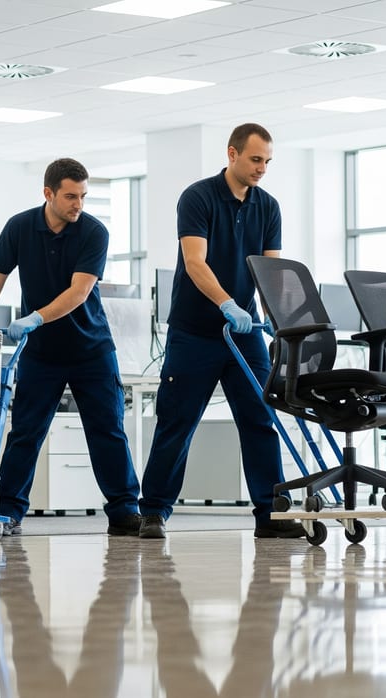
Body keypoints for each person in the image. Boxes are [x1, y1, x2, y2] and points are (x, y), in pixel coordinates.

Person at [138, 124, 304, 540]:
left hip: (244, 334)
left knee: (260, 418)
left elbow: (269, 271)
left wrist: (277, 319)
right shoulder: (198, 197)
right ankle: (154, 511)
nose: (262, 168)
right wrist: (226, 303)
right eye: (255, 159)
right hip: (194, 332)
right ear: (232, 154)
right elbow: (195, 262)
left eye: (267, 161)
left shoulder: (268, 207)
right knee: (177, 421)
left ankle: (270, 513)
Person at [0, 158, 141, 537]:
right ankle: (9, 512)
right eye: (70, 196)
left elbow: (79, 292)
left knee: (107, 430)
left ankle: (125, 511)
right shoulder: (19, 227)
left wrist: (35, 317)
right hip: (41, 354)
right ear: (48, 193)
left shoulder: (93, 232)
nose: (78, 204)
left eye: (83, 196)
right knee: (25, 432)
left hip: (91, 350)